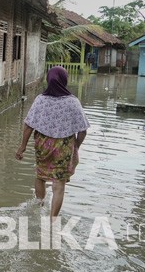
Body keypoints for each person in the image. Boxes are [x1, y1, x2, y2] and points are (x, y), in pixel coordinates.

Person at [15, 66, 89, 217]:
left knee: (41, 176)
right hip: (65, 146)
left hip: (43, 145)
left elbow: (29, 125)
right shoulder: (73, 102)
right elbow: (83, 130)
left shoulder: (40, 100)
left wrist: (22, 147)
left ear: (48, 80)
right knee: (59, 184)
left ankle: (39, 207)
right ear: (64, 80)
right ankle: (52, 220)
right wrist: (76, 146)